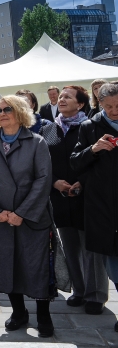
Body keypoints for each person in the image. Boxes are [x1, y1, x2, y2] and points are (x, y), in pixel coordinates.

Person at [0, 95, 53, 337]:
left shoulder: (37, 141)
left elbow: (43, 180)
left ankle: (43, 315)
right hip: (0, 219)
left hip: (31, 218)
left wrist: (22, 212)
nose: (2, 112)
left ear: (19, 111)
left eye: (7, 109)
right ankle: (19, 312)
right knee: (6, 265)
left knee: (35, 266)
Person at [42, 86, 109, 314]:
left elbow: (97, 160)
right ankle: (79, 291)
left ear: (80, 104)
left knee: (92, 249)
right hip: (60, 197)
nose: (61, 99)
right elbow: (43, 163)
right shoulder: (50, 129)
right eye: (60, 96)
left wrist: (83, 182)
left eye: (67, 97)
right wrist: (54, 182)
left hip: (87, 196)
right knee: (70, 248)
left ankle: (96, 295)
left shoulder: (90, 127)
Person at [71, 82, 118, 332]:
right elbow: (75, 162)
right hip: (102, 207)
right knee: (111, 264)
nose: (113, 111)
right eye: (108, 106)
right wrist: (94, 149)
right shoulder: (89, 127)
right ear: (99, 103)